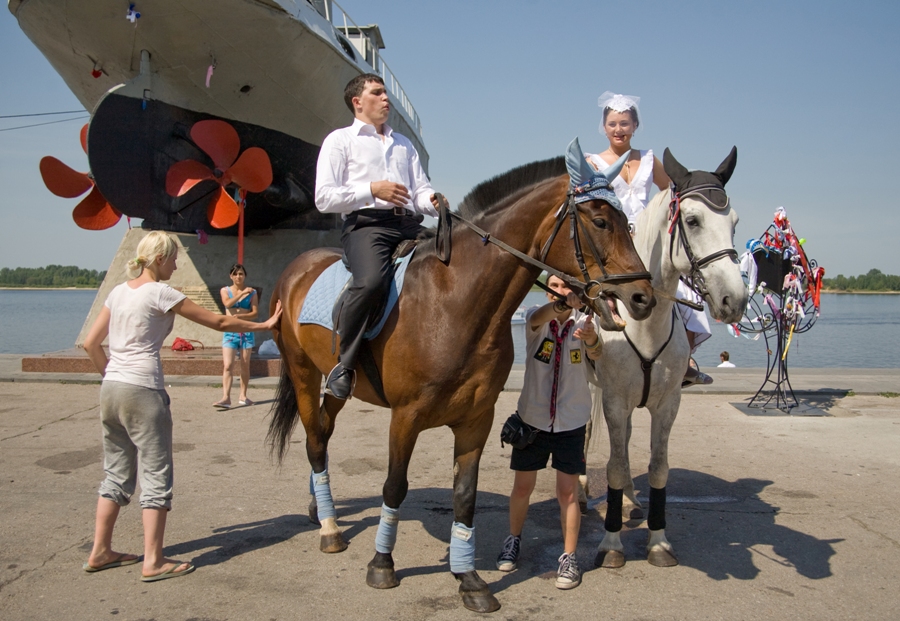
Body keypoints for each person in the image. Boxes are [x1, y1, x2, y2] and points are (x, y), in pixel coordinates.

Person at [82, 232, 281, 582]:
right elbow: (219, 322)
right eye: (174, 259)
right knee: (156, 474)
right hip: (143, 389)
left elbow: (90, 343)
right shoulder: (161, 292)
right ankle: (153, 561)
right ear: (159, 259)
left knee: (115, 473)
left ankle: (100, 550)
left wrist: (113, 376)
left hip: (111, 388)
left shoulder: (118, 291)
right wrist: (264, 324)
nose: (176, 265)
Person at [314, 73, 442, 399]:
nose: (386, 98)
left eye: (386, 93)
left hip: (408, 223)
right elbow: (324, 198)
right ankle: (344, 365)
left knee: (450, 258)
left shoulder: (404, 144)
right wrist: (372, 190)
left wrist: (433, 202)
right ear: (358, 102)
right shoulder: (339, 140)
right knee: (371, 281)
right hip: (365, 226)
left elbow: (419, 191)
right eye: (378, 93)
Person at [586, 91, 713, 387]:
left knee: (685, 292)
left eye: (625, 123)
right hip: (613, 240)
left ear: (635, 126)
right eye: (613, 124)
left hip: (649, 239)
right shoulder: (592, 162)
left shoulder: (648, 159)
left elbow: (672, 194)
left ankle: (684, 359)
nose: (619, 129)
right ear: (604, 127)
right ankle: (584, 351)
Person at [496, 275, 602, 590]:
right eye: (554, 285)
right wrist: (562, 303)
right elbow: (540, 315)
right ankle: (513, 539)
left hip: (571, 422)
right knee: (522, 488)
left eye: (566, 286)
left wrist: (592, 340)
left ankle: (569, 557)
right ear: (546, 290)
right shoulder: (536, 318)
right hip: (532, 420)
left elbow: (597, 355)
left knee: (568, 493)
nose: (559, 290)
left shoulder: (586, 322)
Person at [213, 264, 259, 408]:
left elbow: (255, 313)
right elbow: (227, 303)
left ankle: (243, 396)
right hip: (230, 332)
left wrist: (242, 316)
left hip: (246, 332)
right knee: (228, 365)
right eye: (235, 274)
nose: (238, 277)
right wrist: (241, 293)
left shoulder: (252, 292)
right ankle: (226, 397)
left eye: (241, 274)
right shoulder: (225, 290)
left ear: (245, 276)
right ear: (231, 276)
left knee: (245, 365)